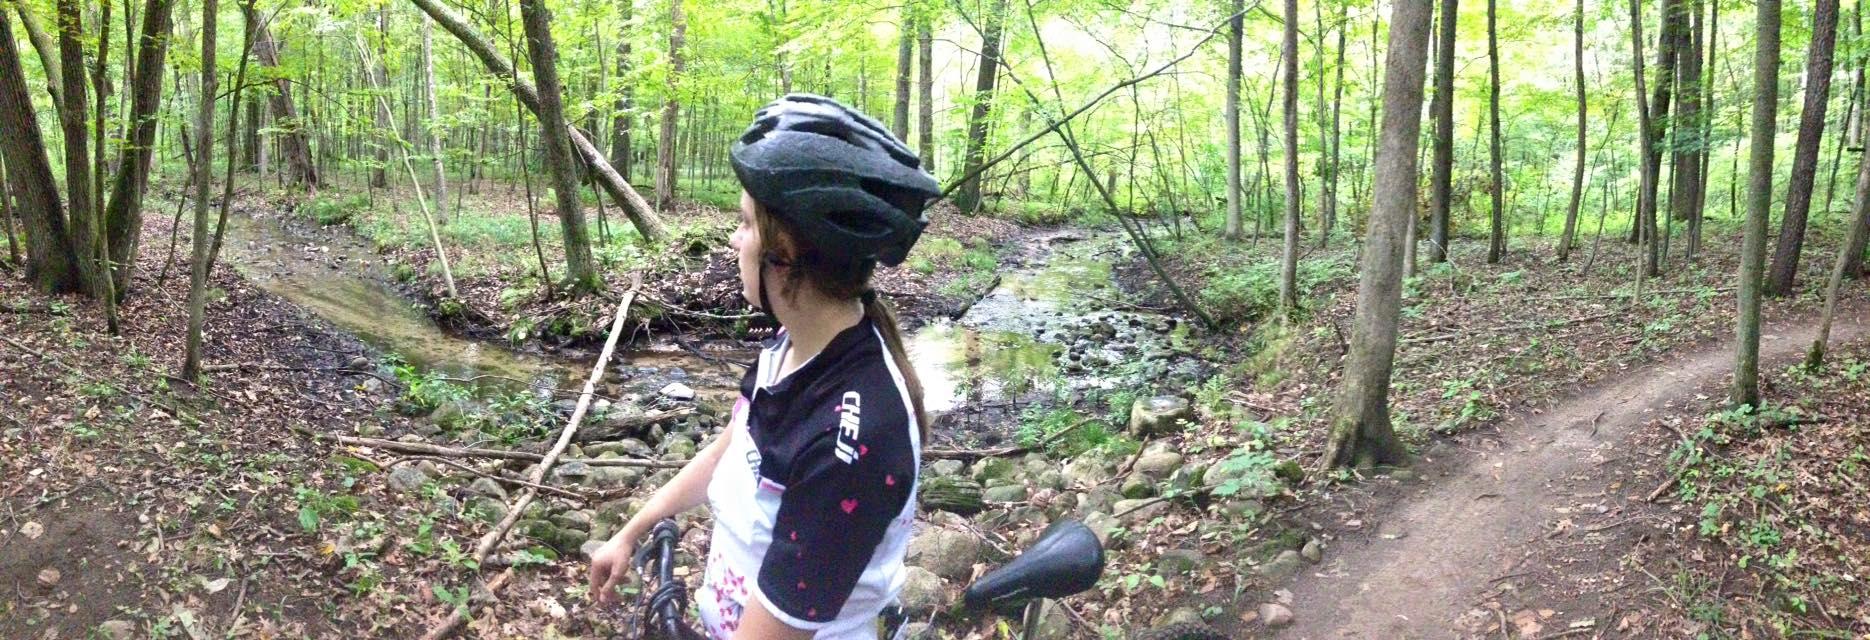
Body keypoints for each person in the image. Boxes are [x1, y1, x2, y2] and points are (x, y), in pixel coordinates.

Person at [587, 94, 939, 640]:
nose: (734, 239)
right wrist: (634, 529)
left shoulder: (852, 444)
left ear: (787, 253)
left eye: (746, 222)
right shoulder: (793, 347)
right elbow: (734, 443)